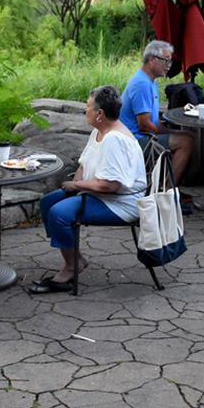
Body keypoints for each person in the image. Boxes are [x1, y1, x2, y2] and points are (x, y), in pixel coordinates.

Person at [31, 86, 148, 293]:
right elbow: (84, 164)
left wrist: (76, 186)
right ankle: (76, 258)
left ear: (100, 113)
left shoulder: (114, 139)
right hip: (98, 194)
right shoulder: (99, 131)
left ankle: (70, 266)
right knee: (48, 202)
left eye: (87, 106)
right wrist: (75, 186)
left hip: (121, 203)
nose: (85, 110)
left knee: (59, 213)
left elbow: (111, 185)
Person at [119, 40, 195, 185]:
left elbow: (153, 119)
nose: (168, 65)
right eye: (166, 60)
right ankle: (167, 193)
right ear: (152, 60)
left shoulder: (150, 81)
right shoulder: (141, 84)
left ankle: (165, 185)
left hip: (143, 135)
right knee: (187, 141)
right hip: (135, 141)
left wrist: (170, 132)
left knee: (186, 135)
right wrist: (169, 134)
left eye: (170, 61)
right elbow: (145, 125)